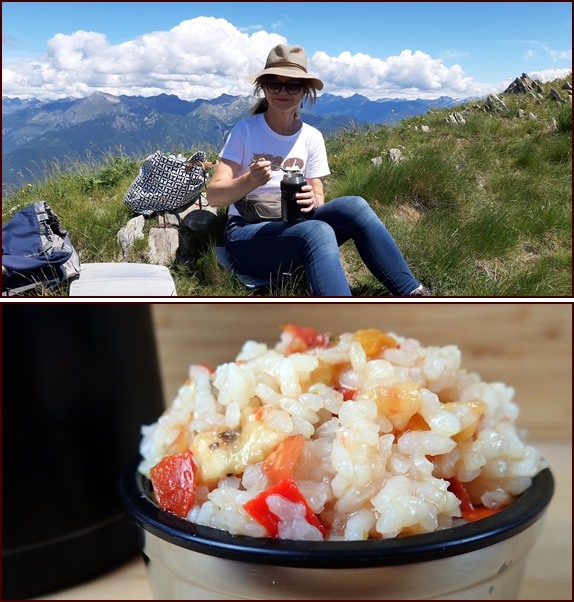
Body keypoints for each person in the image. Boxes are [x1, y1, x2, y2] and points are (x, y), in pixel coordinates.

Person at [206, 44, 431, 297]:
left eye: (292, 85)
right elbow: (214, 196)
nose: (283, 91)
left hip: (295, 227)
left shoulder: (312, 137)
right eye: (274, 84)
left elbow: (318, 195)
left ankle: (413, 294)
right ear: (263, 87)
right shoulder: (245, 131)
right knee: (317, 231)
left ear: (304, 90)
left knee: (355, 206)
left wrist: (314, 200)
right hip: (247, 234)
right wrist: (250, 180)